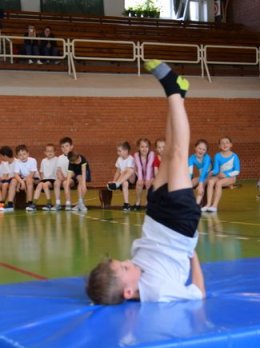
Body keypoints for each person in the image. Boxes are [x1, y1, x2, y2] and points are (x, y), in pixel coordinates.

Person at [86, 60, 205, 304]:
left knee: (169, 154)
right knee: (180, 156)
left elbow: (137, 258)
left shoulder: (134, 265)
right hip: (180, 227)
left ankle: (179, 96)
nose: (128, 263)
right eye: (126, 269)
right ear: (129, 291)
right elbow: (199, 293)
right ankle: (172, 89)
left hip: (155, 216)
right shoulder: (159, 290)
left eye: (122, 263)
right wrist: (193, 256)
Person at [203, 137, 240, 212]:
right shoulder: (217, 156)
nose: (225, 144)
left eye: (227, 142)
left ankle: (214, 206)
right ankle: (208, 204)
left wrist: (226, 174)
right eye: (222, 143)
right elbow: (216, 169)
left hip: (231, 177)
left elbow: (237, 171)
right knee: (210, 181)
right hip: (220, 176)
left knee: (219, 183)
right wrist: (212, 172)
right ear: (219, 146)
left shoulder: (234, 156)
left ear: (231, 145)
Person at [107, 141, 136, 211]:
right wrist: (114, 181)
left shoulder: (131, 158)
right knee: (125, 183)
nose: (118, 153)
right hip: (123, 179)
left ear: (126, 151)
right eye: (117, 151)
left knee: (128, 170)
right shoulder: (119, 159)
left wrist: (117, 182)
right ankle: (126, 204)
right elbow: (117, 172)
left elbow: (128, 171)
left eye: (119, 151)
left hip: (132, 178)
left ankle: (117, 184)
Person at [28, 143, 58, 211]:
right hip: (45, 179)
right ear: (45, 152)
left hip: (53, 179)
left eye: (51, 151)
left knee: (45, 184)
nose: (49, 153)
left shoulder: (57, 159)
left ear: (55, 152)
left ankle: (49, 203)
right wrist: (41, 179)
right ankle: (34, 204)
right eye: (48, 151)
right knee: (39, 185)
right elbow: (41, 172)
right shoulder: (43, 161)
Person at [10, 145, 38, 211]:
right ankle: (10, 204)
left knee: (29, 180)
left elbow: (32, 174)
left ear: (28, 153)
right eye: (20, 155)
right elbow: (16, 174)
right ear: (17, 156)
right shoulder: (17, 162)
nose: (22, 156)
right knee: (13, 181)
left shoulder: (32, 160)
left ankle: (30, 203)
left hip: (34, 178)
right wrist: (21, 182)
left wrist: (21, 182)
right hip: (23, 179)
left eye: (24, 154)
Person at [133, 137, 155, 210]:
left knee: (148, 183)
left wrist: (147, 179)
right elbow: (139, 167)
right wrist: (140, 179)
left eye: (146, 146)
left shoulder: (151, 154)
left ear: (149, 147)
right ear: (138, 147)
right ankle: (138, 201)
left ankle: (148, 202)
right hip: (140, 175)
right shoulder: (136, 155)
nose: (144, 149)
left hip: (151, 175)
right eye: (142, 147)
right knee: (139, 183)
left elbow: (149, 166)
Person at [188, 139, 212, 204]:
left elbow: (204, 171)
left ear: (206, 151)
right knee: (190, 183)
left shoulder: (207, 157)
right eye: (199, 148)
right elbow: (189, 172)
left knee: (202, 184)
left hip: (211, 175)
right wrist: (188, 181)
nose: (201, 151)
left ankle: (196, 204)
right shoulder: (191, 158)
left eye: (204, 149)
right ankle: (188, 202)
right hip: (202, 176)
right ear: (195, 148)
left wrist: (200, 184)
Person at [54, 137, 74, 211]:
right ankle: (58, 203)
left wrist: (67, 178)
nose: (64, 148)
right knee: (56, 182)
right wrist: (61, 177)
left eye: (66, 146)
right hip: (63, 178)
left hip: (72, 179)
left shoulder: (73, 156)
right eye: (62, 146)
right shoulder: (60, 158)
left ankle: (68, 203)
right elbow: (58, 170)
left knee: (66, 183)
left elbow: (74, 171)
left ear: (71, 147)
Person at [0, 146, 15, 212]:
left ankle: (2, 203)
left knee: (4, 185)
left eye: (1, 156)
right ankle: (0, 203)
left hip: (13, 180)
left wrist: (5, 178)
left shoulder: (16, 162)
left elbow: (15, 175)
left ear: (5, 156)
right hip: (7, 180)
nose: (1, 158)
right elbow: (5, 175)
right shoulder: (5, 163)